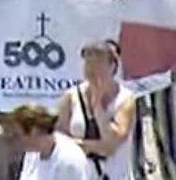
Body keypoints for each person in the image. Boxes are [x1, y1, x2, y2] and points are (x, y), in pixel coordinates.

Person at [55, 40, 138, 180]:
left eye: (98, 64)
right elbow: (59, 142)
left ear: (112, 66)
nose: (91, 69)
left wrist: (97, 106)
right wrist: (92, 146)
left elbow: (111, 144)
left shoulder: (125, 99)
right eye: (88, 63)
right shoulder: (71, 96)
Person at [11, 103, 92, 180]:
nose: (14, 139)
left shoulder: (69, 159)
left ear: (34, 131)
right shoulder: (32, 153)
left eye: (17, 135)